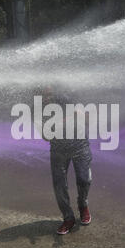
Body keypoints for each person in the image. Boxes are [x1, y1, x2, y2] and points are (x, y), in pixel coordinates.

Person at [33, 86, 93, 235]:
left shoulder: (68, 100)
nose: (47, 98)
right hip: (58, 149)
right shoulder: (36, 110)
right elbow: (46, 136)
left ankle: (82, 204)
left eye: (50, 94)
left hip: (80, 144)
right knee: (59, 185)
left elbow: (88, 121)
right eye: (44, 95)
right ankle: (68, 218)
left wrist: (81, 114)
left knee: (84, 180)